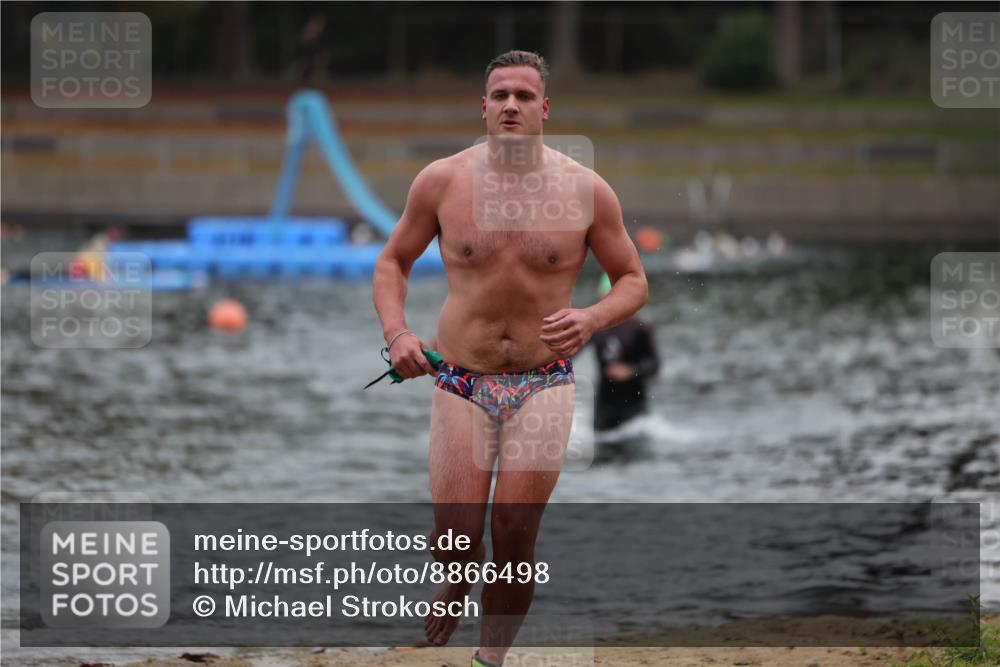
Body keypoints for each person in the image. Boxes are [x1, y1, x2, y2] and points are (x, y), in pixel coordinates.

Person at [372, 50, 647, 667]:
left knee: (515, 534)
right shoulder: (441, 181)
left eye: (525, 96)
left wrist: (591, 318)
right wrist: (397, 335)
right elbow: (393, 261)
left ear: (544, 108)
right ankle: (455, 576)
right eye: (501, 96)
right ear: (484, 107)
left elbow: (633, 279)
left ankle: (489, 659)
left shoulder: (585, 190)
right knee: (458, 539)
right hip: (460, 380)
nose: (512, 106)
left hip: (543, 380)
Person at [591, 273, 660, 439]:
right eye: (604, 298)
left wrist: (630, 371)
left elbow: (655, 365)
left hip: (635, 408)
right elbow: (570, 355)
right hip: (605, 408)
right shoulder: (594, 326)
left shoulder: (640, 327)